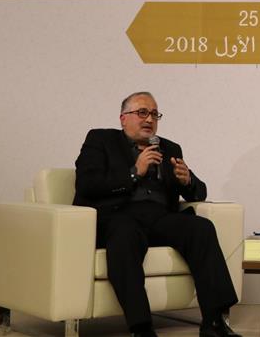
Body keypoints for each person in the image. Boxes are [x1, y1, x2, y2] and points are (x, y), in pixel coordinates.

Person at [73, 92, 241, 337]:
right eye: (142, 112)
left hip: (159, 218)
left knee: (201, 228)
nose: (149, 119)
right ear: (123, 118)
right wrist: (134, 172)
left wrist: (188, 180)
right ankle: (142, 328)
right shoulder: (101, 140)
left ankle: (214, 323)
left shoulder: (169, 148)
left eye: (154, 114)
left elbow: (199, 192)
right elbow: (87, 184)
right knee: (125, 234)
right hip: (118, 216)